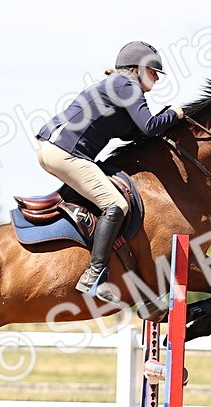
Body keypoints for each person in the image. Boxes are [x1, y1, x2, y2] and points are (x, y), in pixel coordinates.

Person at [36, 41, 185, 296]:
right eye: (153, 73)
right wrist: (175, 114)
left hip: (54, 149)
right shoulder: (127, 85)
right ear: (137, 70)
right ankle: (94, 275)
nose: (157, 80)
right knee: (116, 205)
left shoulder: (117, 86)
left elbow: (136, 133)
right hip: (66, 154)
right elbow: (149, 127)